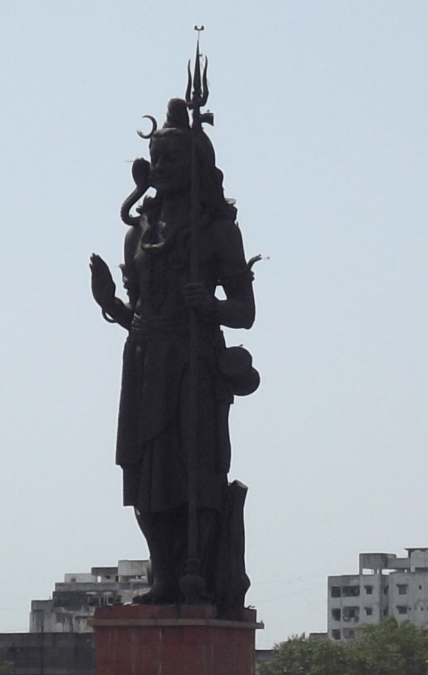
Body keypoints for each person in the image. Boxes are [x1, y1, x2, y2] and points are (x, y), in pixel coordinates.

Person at [90, 98, 257, 612]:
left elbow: (245, 311)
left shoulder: (217, 232)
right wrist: (107, 302)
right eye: (155, 162)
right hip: (143, 361)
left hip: (193, 362)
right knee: (145, 477)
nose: (161, 171)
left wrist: (209, 304)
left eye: (171, 161)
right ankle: (163, 575)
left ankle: (198, 575)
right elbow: (137, 311)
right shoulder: (138, 233)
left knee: (195, 475)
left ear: (196, 167)